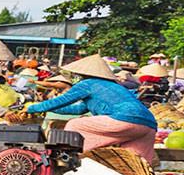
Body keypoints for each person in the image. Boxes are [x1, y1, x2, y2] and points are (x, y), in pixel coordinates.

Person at [24, 54, 158, 163]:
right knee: (136, 163)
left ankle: (64, 161)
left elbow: (62, 100)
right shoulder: (112, 86)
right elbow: (78, 109)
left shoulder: (87, 84)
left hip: (124, 119)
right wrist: (46, 108)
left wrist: (32, 108)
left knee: (74, 125)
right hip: (148, 125)